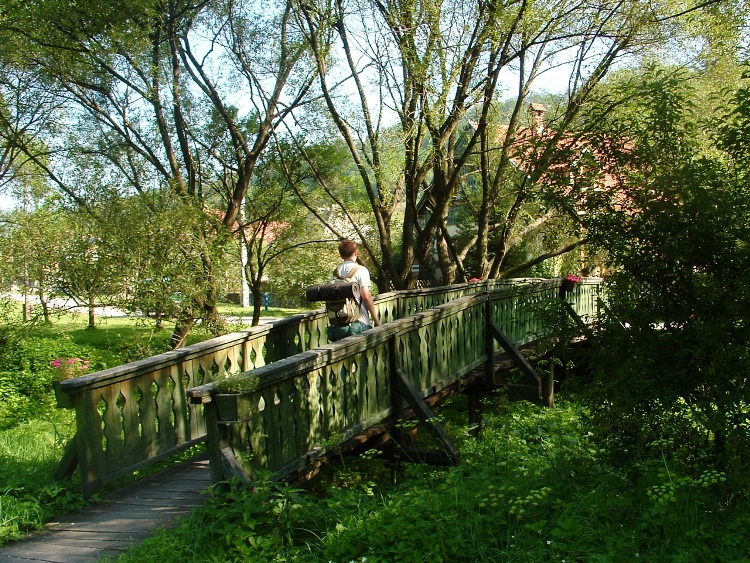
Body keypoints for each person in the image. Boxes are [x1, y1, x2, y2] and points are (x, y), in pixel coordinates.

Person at [327, 239, 381, 342]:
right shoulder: (361, 270)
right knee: (364, 357)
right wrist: (376, 321)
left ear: (341, 255)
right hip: (359, 323)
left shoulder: (334, 273)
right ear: (356, 252)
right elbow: (366, 296)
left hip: (338, 325)